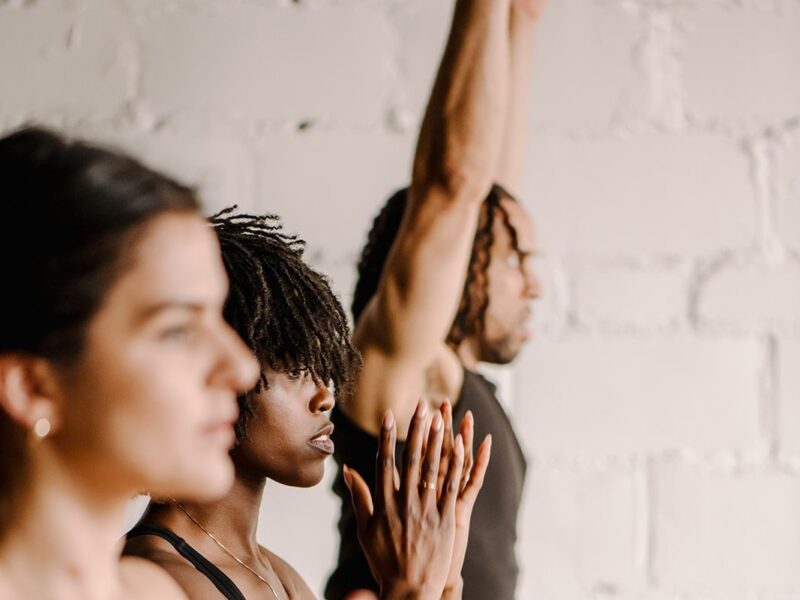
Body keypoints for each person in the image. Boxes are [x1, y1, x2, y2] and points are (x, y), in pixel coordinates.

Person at [125, 211, 491, 600]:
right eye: (293, 367)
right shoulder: (155, 581)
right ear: (214, 374)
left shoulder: (279, 575)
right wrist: (408, 590)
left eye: (320, 366)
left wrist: (445, 580)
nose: (326, 396)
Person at [326, 0, 547, 598]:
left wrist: (520, 20)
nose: (536, 284)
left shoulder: (457, 381)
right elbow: (457, 183)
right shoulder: (408, 374)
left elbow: (486, 197)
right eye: (514, 262)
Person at [0, 126, 261, 599]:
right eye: (178, 330)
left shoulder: (157, 592)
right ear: (32, 387)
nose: (241, 369)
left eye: (218, 318)